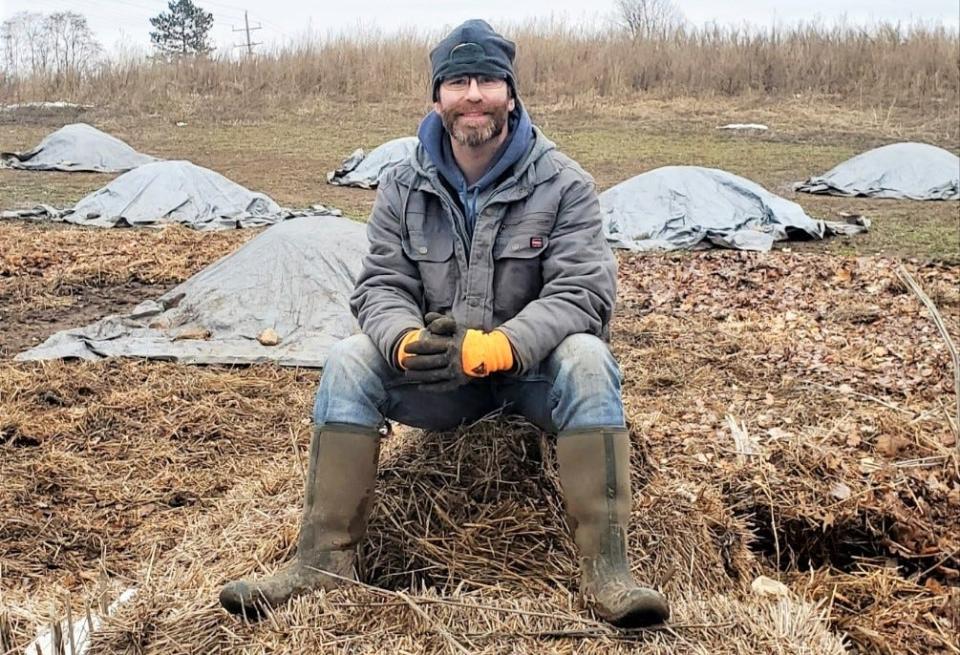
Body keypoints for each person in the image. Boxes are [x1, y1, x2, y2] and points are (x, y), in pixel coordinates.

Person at [219, 18, 670, 628]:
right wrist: (403, 340)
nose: (474, 95)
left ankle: (608, 572)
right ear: (437, 97)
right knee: (349, 359)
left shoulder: (564, 183)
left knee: (588, 358)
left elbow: (582, 292)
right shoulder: (403, 185)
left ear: (510, 93)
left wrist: (503, 346)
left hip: (531, 381)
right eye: (458, 81)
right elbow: (381, 285)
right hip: (440, 384)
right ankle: (320, 565)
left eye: (488, 79)